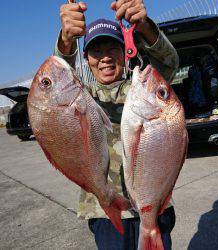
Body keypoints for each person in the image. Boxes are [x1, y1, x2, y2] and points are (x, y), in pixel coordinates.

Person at [54, 1, 179, 249]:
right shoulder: (81, 97)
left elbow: (168, 62)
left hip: (154, 206)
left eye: (113, 48)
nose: (105, 58)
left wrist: (143, 26)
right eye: (96, 51)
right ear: (86, 58)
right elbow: (55, 84)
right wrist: (66, 42)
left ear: (125, 52)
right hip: (106, 212)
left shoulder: (142, 89)